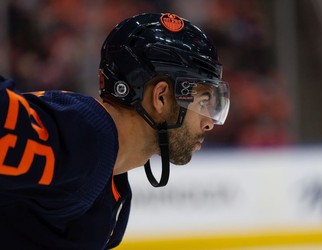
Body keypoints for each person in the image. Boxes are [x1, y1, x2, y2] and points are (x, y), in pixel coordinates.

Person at [0, 12, 230, 250]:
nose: (209, 123)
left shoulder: (112, 189)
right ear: (160, 97)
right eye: (203, 102)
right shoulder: (79, 138)